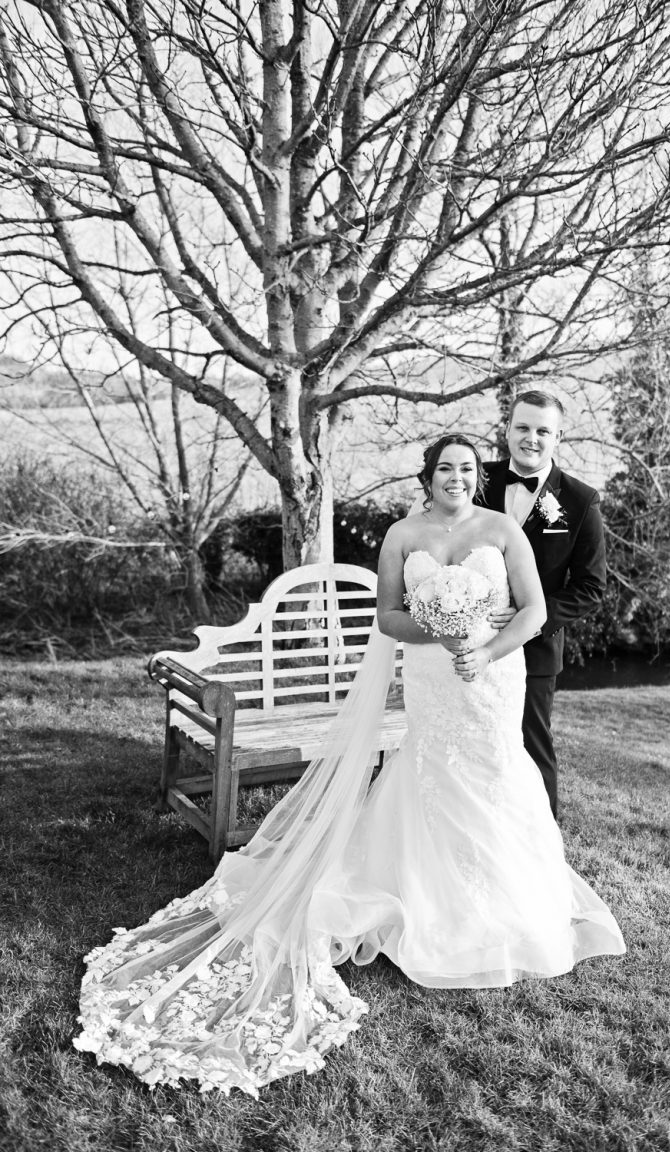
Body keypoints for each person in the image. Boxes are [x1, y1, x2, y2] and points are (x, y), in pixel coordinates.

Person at [73, 434, 624, 1099]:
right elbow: (390, 618)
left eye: (467, 469)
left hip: (492, 677)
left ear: (478, 477)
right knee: (432, 775)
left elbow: (534, 610)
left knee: (499, 775)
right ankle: (423, 899)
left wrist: (484, 650)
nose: (456, 477)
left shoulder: (503, 529)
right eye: (445, 468)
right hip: (430, 678)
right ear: (427, 476)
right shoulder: (401, 535)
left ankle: (505, 908)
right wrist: (440, 631)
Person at [477, 392, 607, 819]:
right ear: (508, 430)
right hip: (467, 636)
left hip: (533, 650)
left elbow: (591, 587)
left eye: (543, 431)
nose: (531, 439)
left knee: (533, 745)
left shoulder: (580, 501)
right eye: (523, 427)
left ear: (558, 437)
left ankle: (544, 842)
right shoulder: (476, 480)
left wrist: (531, 616)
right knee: (473, 740)